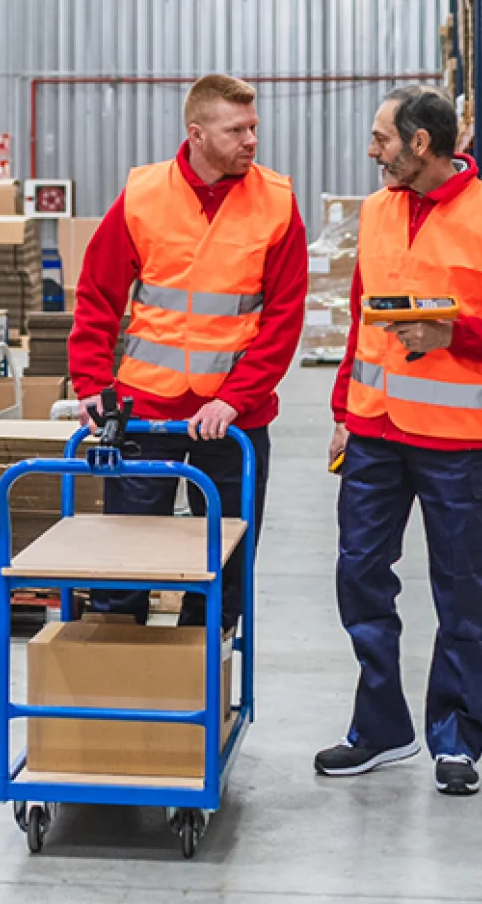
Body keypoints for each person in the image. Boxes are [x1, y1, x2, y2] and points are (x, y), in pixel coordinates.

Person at [315, 85, 482, 797]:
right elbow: (363, 315)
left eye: (381, 138)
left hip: (456, 441)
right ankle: (381, 727)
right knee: (359, 574)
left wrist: (455, 332)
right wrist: (341, 405)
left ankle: (454, 737)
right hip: (373, 429)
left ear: (421, 145)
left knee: (459, 589)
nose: (371, 151)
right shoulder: (377, 210)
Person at [68, 74, 306, 628]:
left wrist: (237, 398)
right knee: (127, 559)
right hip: (144, 410)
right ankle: (119, 683)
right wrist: (88, 384)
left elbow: (284, 318)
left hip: (233, 419)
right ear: (196, 134)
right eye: (236, 130)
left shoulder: (276, 203)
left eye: (254, 128)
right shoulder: (143, 196)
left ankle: (200, 688)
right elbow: (98, 296)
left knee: (224, 564)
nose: (251, 140)